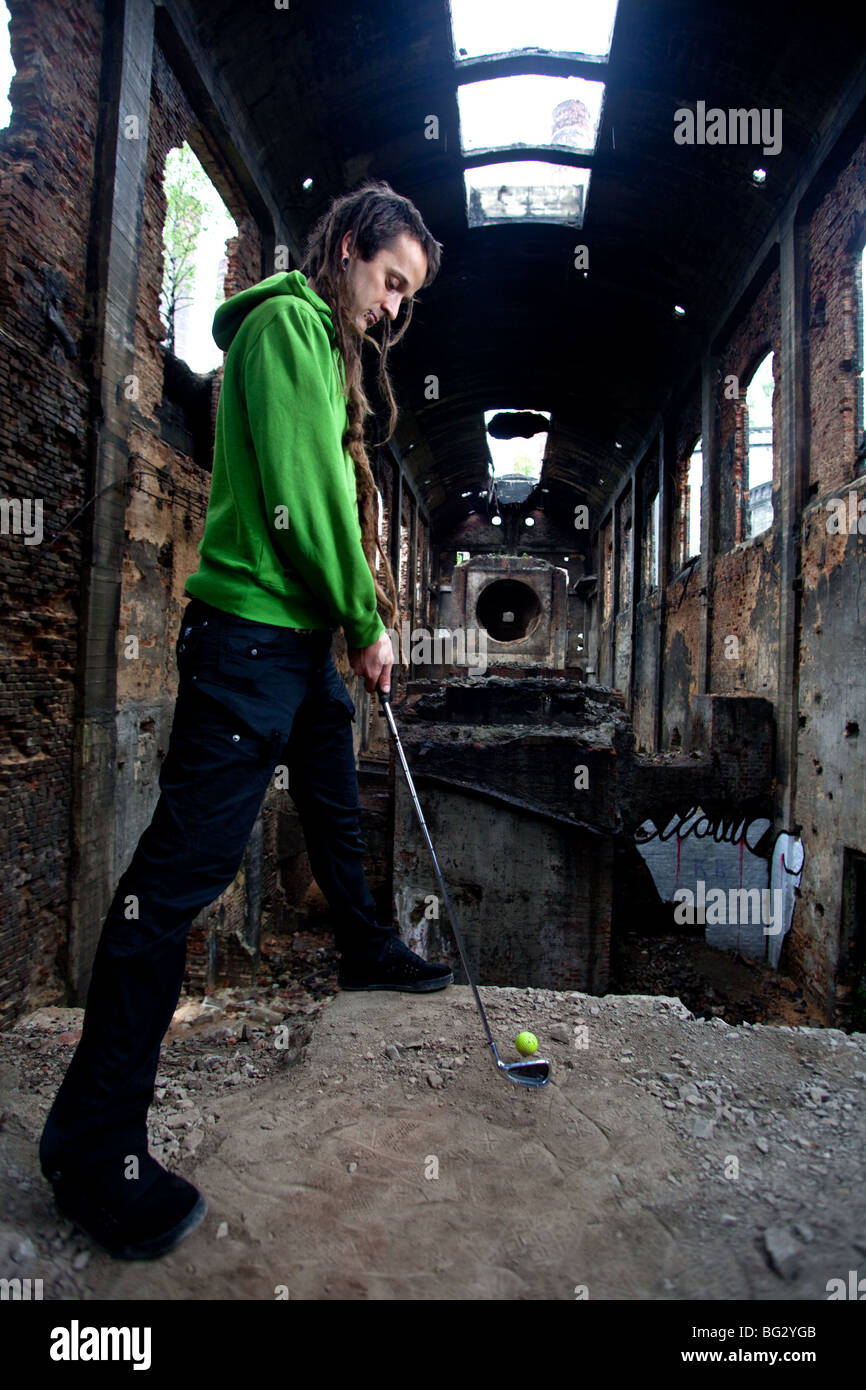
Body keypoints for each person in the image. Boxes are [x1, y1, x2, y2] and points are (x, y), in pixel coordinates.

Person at [39, 182, 448, 1260]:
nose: (392, 310)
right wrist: (363, 615)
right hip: (248, 645)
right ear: (352, 247)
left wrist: (351, 624)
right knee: (172, 885)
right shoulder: (278, 328)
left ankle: (365, 945)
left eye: (408, 297)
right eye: (389, 282)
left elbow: (337, 502)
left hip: (301, 644)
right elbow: (306, 493)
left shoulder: (333, 348)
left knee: (332, 800)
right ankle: (93, 1150)